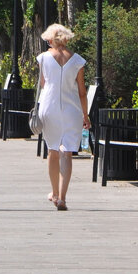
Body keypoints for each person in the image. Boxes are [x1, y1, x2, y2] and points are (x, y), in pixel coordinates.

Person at [36, 23, 89, 210]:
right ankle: (63, 197)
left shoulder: (43, 58)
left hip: (49, 106)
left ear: (51, 39)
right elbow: (82, 92)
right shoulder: (78, 61)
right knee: (67, 152)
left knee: (52, 150)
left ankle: (54, 192)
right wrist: (85, 114)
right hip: (72, 108)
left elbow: (43, 84)